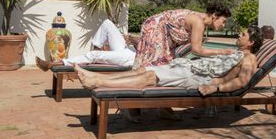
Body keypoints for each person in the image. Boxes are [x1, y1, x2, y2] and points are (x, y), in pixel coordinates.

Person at [75, 26, 264, 97]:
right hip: (188, 67)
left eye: (244, 34)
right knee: (142, 71)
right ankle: (96, 75)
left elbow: (242, 81)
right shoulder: (234, 52)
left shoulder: (250, 58)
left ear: (252, 42)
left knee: (150, 77)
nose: (239, 35)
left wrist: (216, 88)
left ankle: (98, 82)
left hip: (197, 77)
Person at [134, 4, 235, 68]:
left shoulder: (200, 22)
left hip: (160, 29)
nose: (223, 25)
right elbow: (197, 50)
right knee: (154, 65)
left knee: (162, 65)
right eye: (223, 21)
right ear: (214, 16)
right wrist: (222, 52)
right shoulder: (198, 21)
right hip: (156, 26)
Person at [36, 19, 136, 71]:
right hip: (130, 49)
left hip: (132, 57)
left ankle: (53, 64)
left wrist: (138, 42)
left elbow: (151, 48)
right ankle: (97, 52)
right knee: (107, 23)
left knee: (94, 55)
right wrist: (135, 40)